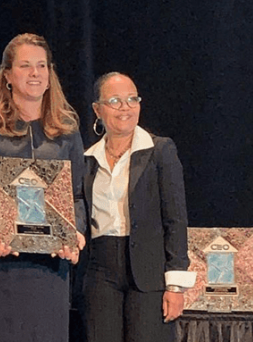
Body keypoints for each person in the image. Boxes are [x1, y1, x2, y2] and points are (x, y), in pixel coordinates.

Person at [0, 33, 86, 342]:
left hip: (51, 268)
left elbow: (77, 197)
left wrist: (76, 233)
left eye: (42, 65)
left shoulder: (67, 131)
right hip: (0, 265)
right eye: (25, 66)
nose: (35, 73)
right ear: (7, 76)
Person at [81, 72, 195, 342]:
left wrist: (176, 286)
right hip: (100, 273)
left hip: (148, 274)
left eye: (132, 99)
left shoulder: (160, 151)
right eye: (115, 100)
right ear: (97, 109)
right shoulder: (86, 159)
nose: (126, 107)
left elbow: (176, 220)